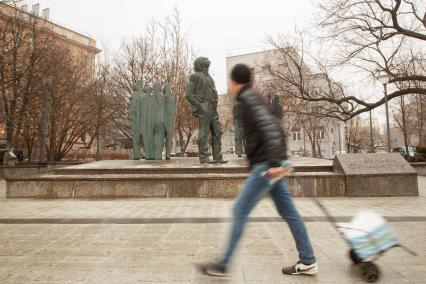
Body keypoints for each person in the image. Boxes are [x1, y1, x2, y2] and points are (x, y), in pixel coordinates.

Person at [198, 64, 318, 277]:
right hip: (272, 163)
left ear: (234, 82)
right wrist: (279, 161)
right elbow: (277, 128)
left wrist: (273, 163)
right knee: (289, 212)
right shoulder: (255, 97)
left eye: (230, 81)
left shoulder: (249, 99)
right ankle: (307, 260)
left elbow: (270, 130)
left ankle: (223, 264)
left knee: (240, 210)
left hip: (266, 166)